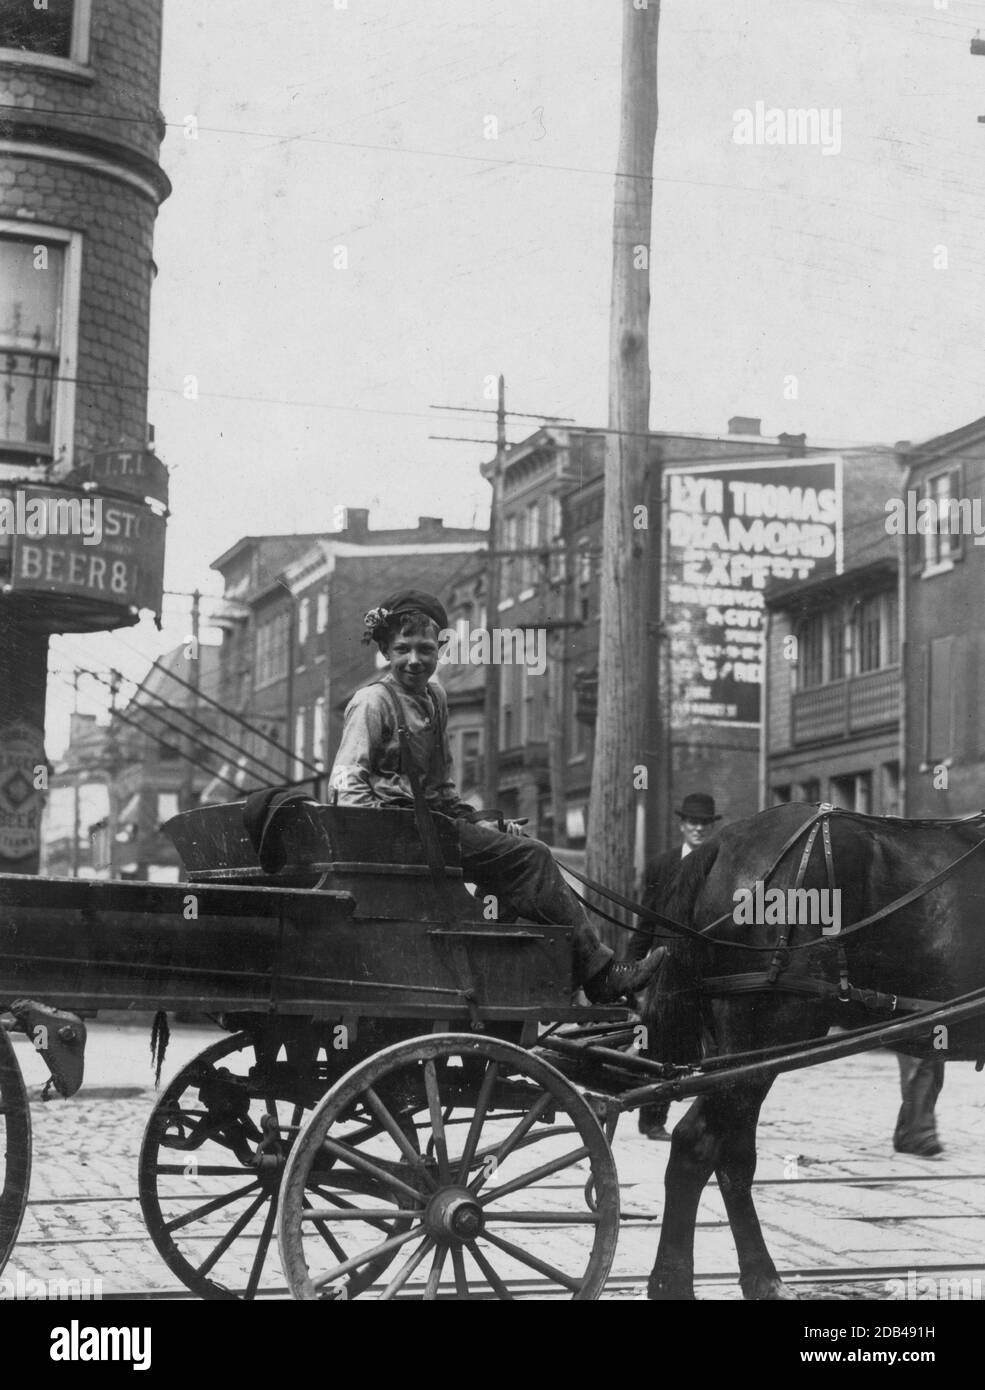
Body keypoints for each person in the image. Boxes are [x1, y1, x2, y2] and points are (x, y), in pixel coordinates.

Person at [328, 589, 666, 1004]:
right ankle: (599, 974)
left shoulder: (435, 698)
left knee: (520, 844)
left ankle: (518, 974)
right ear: (384, 650)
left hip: (431, 829)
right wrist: (383, 841)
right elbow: (346, 784)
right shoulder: (372, 702)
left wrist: (474, 820)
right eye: (402, 649)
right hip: (395, 839)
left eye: (425, 649)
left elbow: (439, 789)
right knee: (533, 857)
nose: (414, 660)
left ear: (441, 649)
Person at [629, 792, 723, 1140]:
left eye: (704, 824)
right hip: (666, 963)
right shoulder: (662, 865)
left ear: (712, 827)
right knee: (661, 1041)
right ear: (682, 825)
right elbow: (646, 921)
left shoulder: (720, 866)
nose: (698, 829)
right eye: (692, 823)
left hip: (704, 966)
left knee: (712, 1043)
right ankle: (652, 1119)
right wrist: (632, 970)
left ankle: (711, 1114)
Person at [893, 1054, 945, 1156]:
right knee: (921, 1062)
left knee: (937, 1066)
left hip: (940, 1039)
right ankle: (920, 1134)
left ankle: (907, 1133)